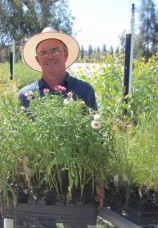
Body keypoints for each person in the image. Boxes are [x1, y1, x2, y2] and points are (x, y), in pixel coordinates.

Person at [17, 27, 104, 228]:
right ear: (37, 60)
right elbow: (20, 142)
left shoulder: (84, 90)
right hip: (40, 181)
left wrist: (100, 182)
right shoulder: (26, 94)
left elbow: (96, 139)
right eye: (43, 53)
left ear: (65, 54)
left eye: (55, 50)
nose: (50, 56)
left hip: (78, 179)